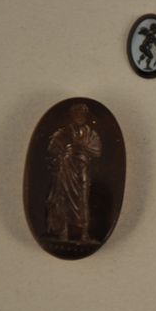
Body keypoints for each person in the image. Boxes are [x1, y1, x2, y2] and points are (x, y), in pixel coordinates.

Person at [45, 103, 102, 242]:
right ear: (72, 116)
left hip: (82, 169)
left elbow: (97, 151)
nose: (79, 117)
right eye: (76, 114)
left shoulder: (91, 134)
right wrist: (64, 153)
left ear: (86, 116)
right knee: (63, 198)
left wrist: (81, 147)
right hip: (66, 169)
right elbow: (52, 149)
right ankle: (63, 232)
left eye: (82, 114)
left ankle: (84, 233)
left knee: (83, 200)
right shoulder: (63, 133)